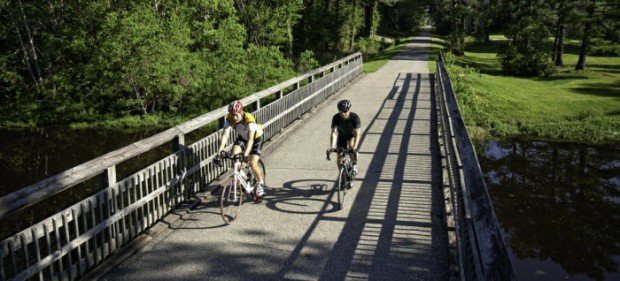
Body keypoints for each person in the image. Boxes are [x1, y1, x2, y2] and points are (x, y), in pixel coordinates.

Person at [216, 100, 266, 199]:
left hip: (256, 138)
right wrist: (219, 153)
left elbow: (251, 140)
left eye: (236, 115)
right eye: (232, 115)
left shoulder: (249, 119)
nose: (234, 118)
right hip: (243, 138)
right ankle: (244, 177)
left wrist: (245, 156)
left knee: (252, 163)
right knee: (234, 154)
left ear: (241, 112)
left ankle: (260, 183)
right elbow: (225, 136)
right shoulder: (229, 119)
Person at [329, 99, 361, 176]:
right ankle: (342, 175)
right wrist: (332, 147)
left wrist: (355, 147)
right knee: (339, 156)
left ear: (349, 110)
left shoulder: (354, 117)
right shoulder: (336, 117)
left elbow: (357, 133)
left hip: (351, 135)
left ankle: (354, 165)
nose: (343, 113)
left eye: (345, 111)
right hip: (341, 136)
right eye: (341, 111)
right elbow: (334, 133)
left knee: (351, 147)